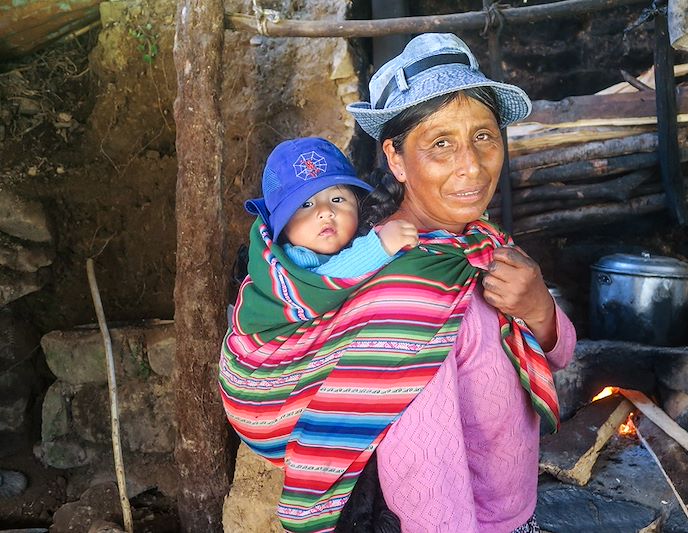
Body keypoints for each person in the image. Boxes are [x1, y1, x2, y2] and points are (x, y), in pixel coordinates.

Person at [219, 33, 576, 533]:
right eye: (441, 144)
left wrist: (539, 308)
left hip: (517, 512)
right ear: (396, 159)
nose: (470, 165)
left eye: (484, 136)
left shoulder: (476, 242)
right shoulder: (408, 297)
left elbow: (560, 353)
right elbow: (424, 479)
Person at [241, 136, 418, 278]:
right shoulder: (293, 261)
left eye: (337, 199)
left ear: (357, 204)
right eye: (306, 204)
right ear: (284, 227)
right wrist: (380, 246)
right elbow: (324, 283)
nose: (325, 212)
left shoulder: (362, 237)